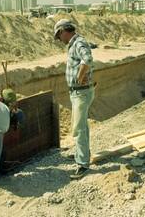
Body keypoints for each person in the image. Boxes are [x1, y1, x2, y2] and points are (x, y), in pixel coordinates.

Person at [54, 19, 95, 179]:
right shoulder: (75, 43)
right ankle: (81, 154)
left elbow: (88, 59)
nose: (60, 40)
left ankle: (83, 164)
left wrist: (80, 76)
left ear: (65, 30)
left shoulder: (78, 43)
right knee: (81, 125)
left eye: (59, 36)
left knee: (78, 128)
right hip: (79, 92)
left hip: (81, 92)